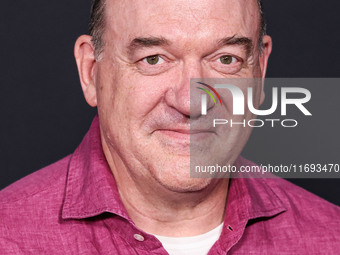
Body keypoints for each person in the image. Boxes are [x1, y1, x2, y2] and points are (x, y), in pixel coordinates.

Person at [0, 0, 339, 254]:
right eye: (154, 59)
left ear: (260, 72)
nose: (192, 103)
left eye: (225, 59)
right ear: (91, 72)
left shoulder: (330, 237)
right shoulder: (8, 236)